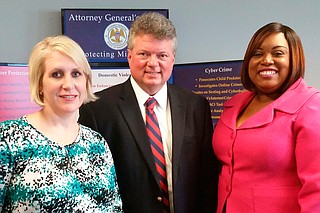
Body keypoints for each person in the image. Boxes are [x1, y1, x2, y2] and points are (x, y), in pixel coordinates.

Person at [79, 12, 219, 213]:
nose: (153, 63)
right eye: (144, 54)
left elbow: (206, 179)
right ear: (129, 56)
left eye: (162, 55)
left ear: (172, 59)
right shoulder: (97, 109)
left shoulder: (196, 106)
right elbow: (92, 186)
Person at [0, 35, 123, 212]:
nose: (68, 84)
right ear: (40, 83)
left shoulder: (97, 143)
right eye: (56, 74)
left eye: (76, 74)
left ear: (86, 80)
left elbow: (114, 208)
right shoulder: (9, 138)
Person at [212, 22, 320, 212]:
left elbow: (316, 189)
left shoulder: (310, 106)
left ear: (295, 59)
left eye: (278, 53)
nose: (266, 60)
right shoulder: (233, 105)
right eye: (258, 53)